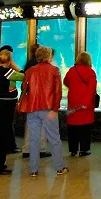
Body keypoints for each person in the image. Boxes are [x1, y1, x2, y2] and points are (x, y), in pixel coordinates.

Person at [21, 46, 67, 177]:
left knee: (34, 140)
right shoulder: (54, 70)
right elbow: (58, 91)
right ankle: (59, 167)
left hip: (32, 108)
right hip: (48, 109)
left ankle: (33, 170)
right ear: (49, 56)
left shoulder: (30, 71)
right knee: (54, 139)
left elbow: (24, 87)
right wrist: (55, 109)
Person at [0, 49, 24, 175]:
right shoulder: (8, 72)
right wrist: (16, 66)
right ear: (9, 60)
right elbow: (25, 76)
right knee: (1, 137)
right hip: (4, 107)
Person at [63, 51, 97, 157]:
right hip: (85, 102)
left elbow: (65, 81)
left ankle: (73, 150)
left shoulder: (72, 70)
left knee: (72, 125)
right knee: (85, 127)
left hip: (73, 100)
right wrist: (86, 103)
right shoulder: (91, 72)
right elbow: (92, 89)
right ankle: (84, 149)